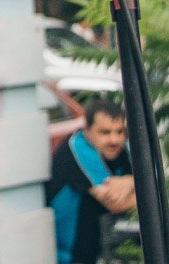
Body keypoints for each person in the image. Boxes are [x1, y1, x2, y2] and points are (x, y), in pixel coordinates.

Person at [47, 98, 136, 264]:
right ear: (86, 130)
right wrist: (147, 192)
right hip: (67, 256)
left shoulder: (123, 149)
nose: (114, 140)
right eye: (105, 132)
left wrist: (128, 182)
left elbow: (148, 181)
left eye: (119, 132)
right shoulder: (78, 146)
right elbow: (113, 202)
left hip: (100, 251)